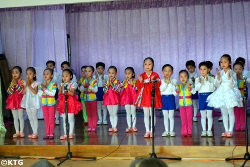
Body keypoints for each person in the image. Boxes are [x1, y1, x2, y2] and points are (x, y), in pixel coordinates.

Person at [207, 54, 243, 137]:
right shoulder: (220, 72)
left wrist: (230, 78)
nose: (223, 64)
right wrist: (218, 78)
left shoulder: (233, 73)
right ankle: (226, 130)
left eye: (225, 62)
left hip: (229, 93)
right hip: (221, 93)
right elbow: (217, 84)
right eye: (221, 62)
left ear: (230, 63)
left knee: (230, 112)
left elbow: (234, 85)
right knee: (224, 113)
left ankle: (230, 130)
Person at [135, 57, 162, 138]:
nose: (147, 66)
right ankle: (147, 130)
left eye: (149, 64)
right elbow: (138, 86)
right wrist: (140, 81)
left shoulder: (155, 74)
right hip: (145, 98)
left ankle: (152, 130)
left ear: (152, 65)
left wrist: (153, 81)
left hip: (153, 97)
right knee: (146, 114)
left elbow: (159, 84)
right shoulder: (142, 75)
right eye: (145, 64)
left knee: (152, 114)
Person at [57, 69, 82, 140]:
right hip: (63, 102)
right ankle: (65, 134)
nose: (64, 78)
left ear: (71, 77)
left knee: (70, 119)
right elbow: (59, 94)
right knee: (65, 119)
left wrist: (66, 89)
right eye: (63, 76)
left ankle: (70, 133)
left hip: (71, 103)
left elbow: (72, 93)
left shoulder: (73, 84)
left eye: (66, 76)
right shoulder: (61, 84)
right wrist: (60, 89)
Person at [195, 62, 215, 137]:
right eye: (201, 69)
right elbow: (196, 89)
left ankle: (209, 130)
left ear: (208, 70)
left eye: (204, 69)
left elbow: (213, 88)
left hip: (209, 97)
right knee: (203, 116)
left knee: (209, 115)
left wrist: (207, 81)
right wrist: (200, 83)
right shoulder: (197, 79)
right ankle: (204, 130)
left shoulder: (212, 78)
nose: (202, 71)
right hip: (201, 98)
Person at [21, 67, 40, 139]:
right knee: (30, 117)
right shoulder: (25, 83)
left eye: (30, 74)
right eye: (27, 74)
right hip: (27, 102)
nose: (28, 76)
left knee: (34, 117)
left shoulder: (35, 83)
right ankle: (33, 132)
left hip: (34, 102)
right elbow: (24, 92)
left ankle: (35, 132)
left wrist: (29, 86)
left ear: (34, 75)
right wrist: (26, 85)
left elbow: (35, 92)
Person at [176, 70, 196, 137]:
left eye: (185, 76)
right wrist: (177, 90)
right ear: (179, 78)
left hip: (189, 105)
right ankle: (184, 131)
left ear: (187, 77)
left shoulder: (190, 85)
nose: (183, 78)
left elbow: (194, 92)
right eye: (181, 77)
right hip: (181, 105)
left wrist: (190, 88)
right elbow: (175, 93)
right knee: (183, 119)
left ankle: (189, 131)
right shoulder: (178, 86)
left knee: (189, 119)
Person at [38, 68, 57, 139]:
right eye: (44, 74)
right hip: (44, 104)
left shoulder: (54, 84)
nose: (45, 75)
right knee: (46, 118)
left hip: (51, 103)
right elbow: (39, 94)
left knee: (51, 118)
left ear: (51, 75)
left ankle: (51, 133)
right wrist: (43, 89)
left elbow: (52, 94)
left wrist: (44, 89)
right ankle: (47, 133)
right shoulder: (42, 84)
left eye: (47, 74)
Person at [6, 66, 25, 138]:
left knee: (21, 116)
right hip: (12, 102)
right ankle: (17, 131)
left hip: (20, 101)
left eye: (16, 72)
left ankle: (21, 131)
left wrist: (16, 85)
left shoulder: (22, 82)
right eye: (13, 73)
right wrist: (12, 85)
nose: (14, 74)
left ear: (20, 74)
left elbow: (21, 92)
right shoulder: (11, 82)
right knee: (15, 117)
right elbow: (9, 92)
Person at [160, 64, 177, 137]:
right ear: (163, 72)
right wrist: (165, 82)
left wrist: (170, 84)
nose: (167, 72)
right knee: (165, 116)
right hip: (163, 99)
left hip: (171, 98)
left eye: (169, 71)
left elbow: (175, 93)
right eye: (165, 71)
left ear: (172, 72)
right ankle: (166, 131)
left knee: (171, 116)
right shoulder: (161, 81)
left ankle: (172, 131)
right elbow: (161, 90)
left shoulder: (174, 81)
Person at [80, 66, 98, 132]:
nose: (87, 73)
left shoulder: (94, 81)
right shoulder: (84, 81)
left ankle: (94, 127)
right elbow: (81, 89)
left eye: (89, 71)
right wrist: (84, 87)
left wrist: (89, 86)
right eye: (86, 71)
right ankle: (90, 127)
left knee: (93, 113)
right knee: (89, 113)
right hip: (86, 99)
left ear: (93, 73)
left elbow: (96, 90)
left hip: (92, 99)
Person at [103, 66, 121, 133]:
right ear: (107, 73)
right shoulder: (106, 82)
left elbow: (117, 90)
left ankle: (114, 126)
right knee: (110, 113)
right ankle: (112, 126)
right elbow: (105, 91)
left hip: (115, 99)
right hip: (108, 99)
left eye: (113, 73)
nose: (111, 74)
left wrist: (112, 85)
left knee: (114, 113)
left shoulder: (117, 81)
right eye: (109, 73)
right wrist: (108, 85)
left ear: (116, 73)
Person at [120, 67, 137, 133]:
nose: (127, 75)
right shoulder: (124, 82)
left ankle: (134, 126)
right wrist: (121, 86)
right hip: (126, 99)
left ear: (133, 74)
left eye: (129, 73)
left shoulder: (135, 81)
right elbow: (118, 88)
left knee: (133, 113)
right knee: (128, 113)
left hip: (133, 99)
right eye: (126, 73)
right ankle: (129, 126)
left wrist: (132, 84)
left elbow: (137, 88)